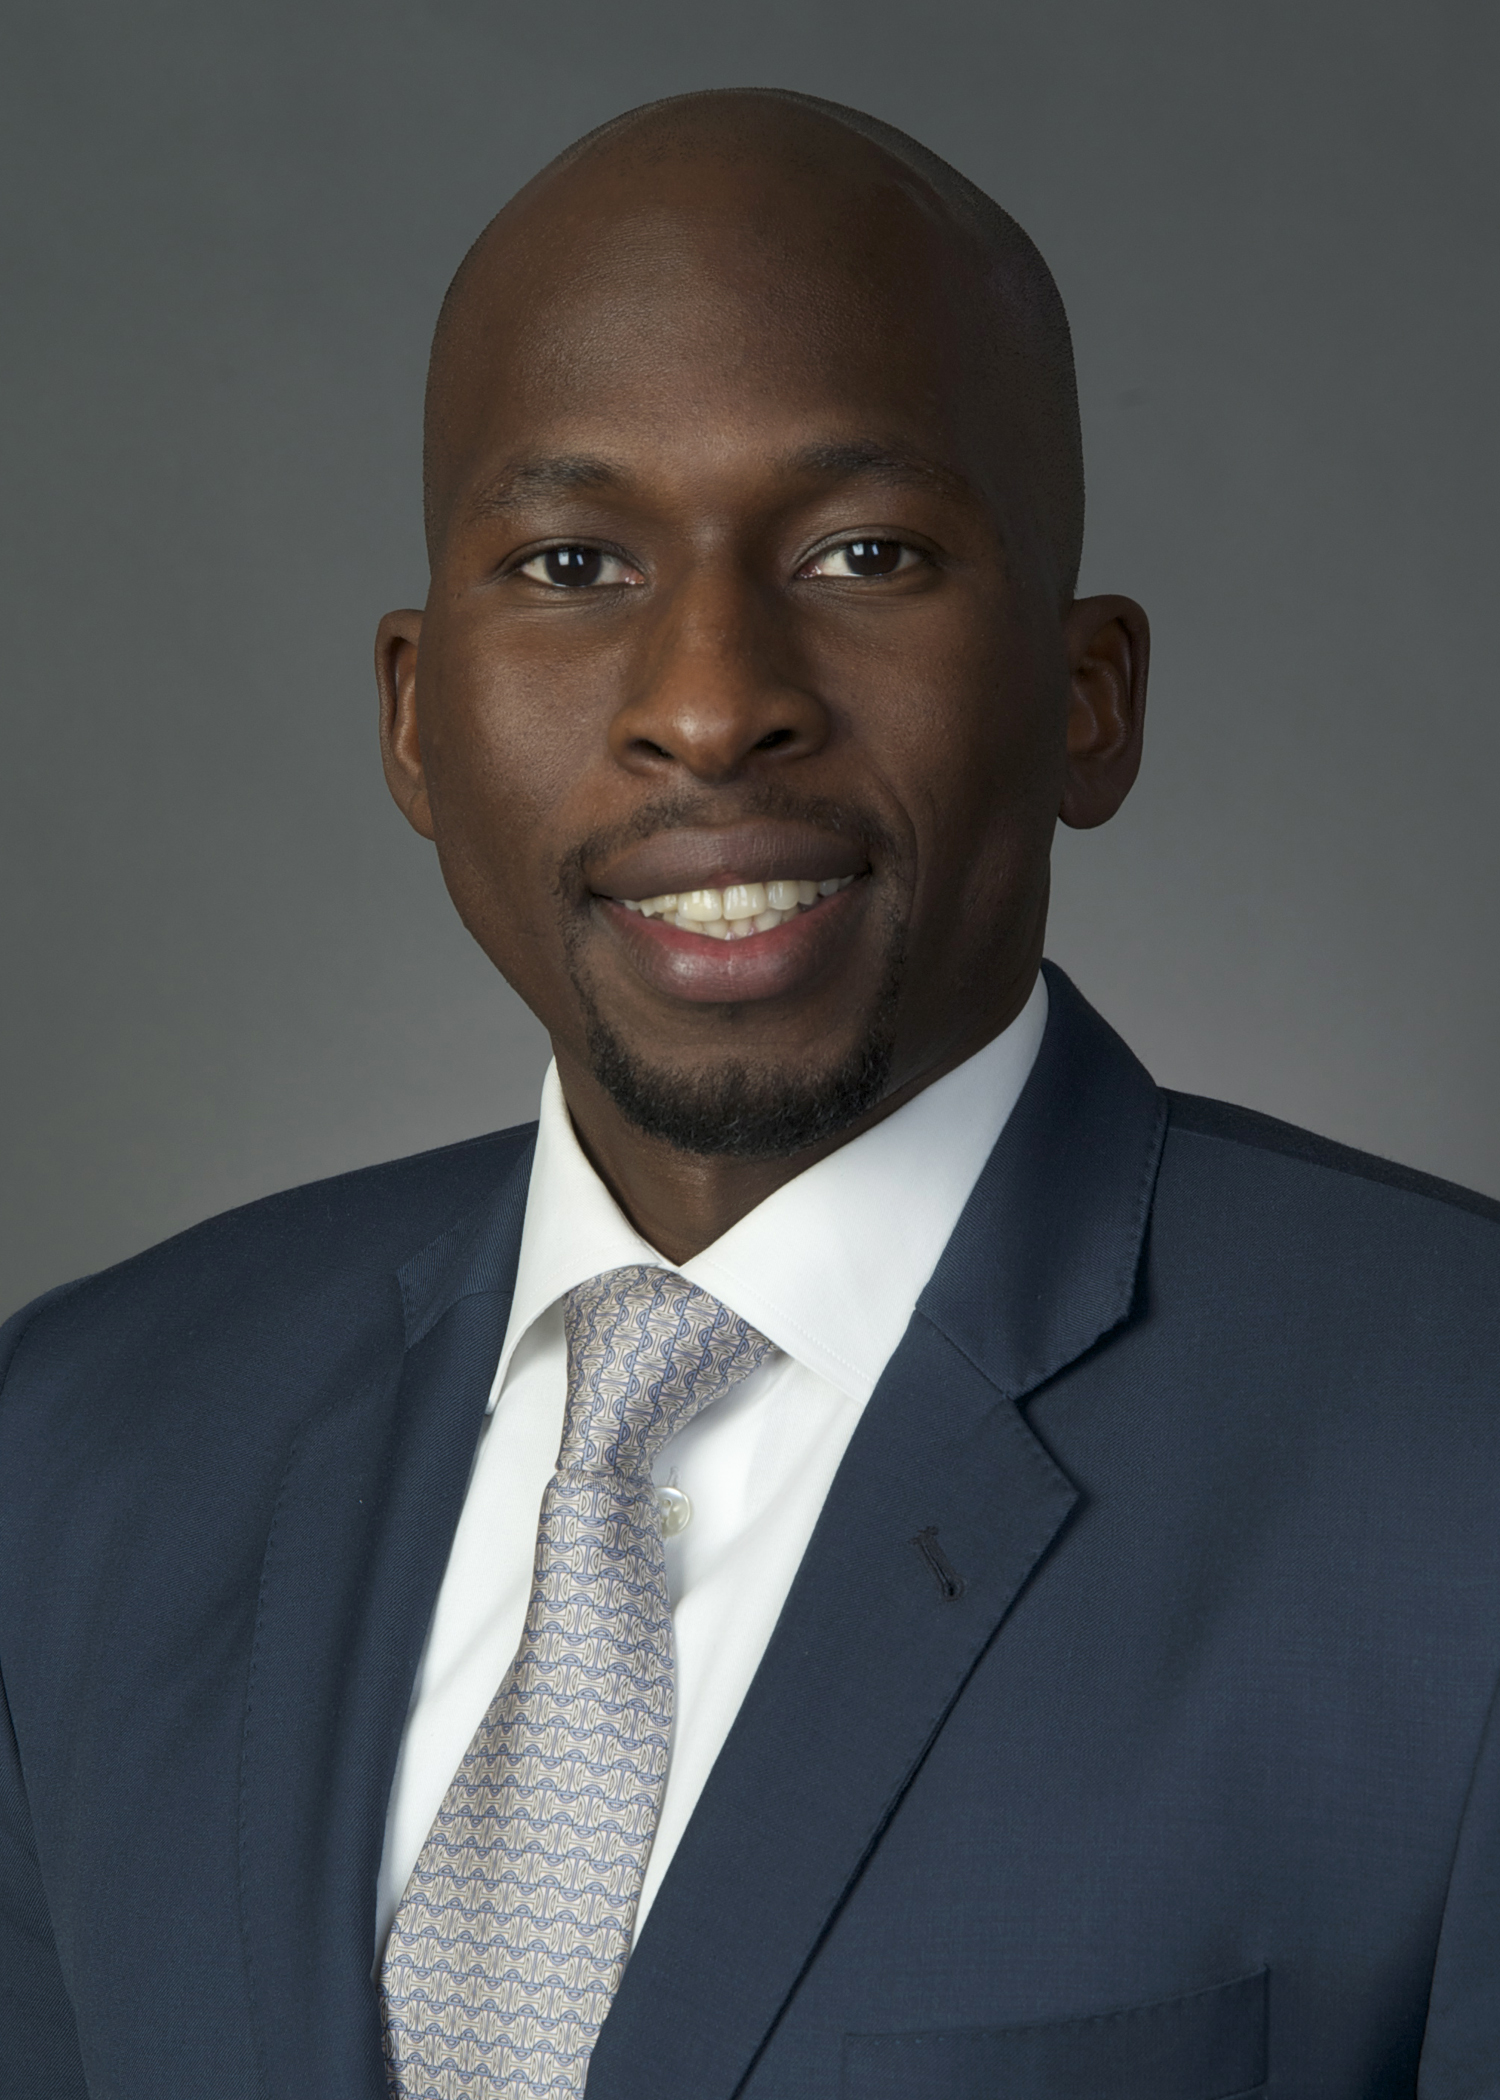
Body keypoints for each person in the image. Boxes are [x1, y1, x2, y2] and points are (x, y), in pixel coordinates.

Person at [2, 85, 1497, 2100]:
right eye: (571, 562)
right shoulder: (80, 1456)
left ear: (1088, 698)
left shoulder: (1453, 1463)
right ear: (416, 719)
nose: (710, 704)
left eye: (867, 552)